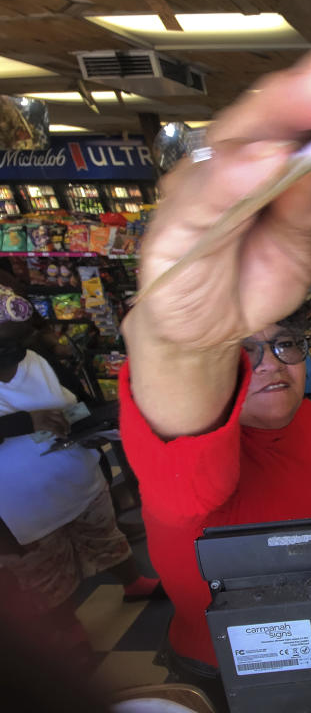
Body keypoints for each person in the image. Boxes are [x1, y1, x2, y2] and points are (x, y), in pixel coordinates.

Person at [117, 41, 311, 705]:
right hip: (237, 672)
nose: (271, 364)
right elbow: (178, 447)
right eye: (242, 352)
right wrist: (188, 341)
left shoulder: (299, 416)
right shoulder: (199, 475)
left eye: (284, 345)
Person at [0, 287, 161, 670]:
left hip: (77, 478)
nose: (14, 351)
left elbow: (79, 402)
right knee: (46, 575)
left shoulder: (38, 360)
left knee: (105, 536)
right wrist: (28, 422)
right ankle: (68, 631)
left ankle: (134, 583)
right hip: (21, 508)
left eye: (17, 341)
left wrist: (97, 424)